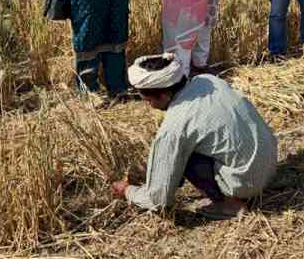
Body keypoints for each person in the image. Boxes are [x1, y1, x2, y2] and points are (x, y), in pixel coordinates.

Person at [111, 54, 278, 218]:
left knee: (183, 153)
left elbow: (158, 200)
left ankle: (229, 205)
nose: (148, 104)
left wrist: (128, 191)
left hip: (248, 183)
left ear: (162, 95)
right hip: (270, 164)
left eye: (147, 100)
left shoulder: (175, 127)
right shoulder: (208, 80)